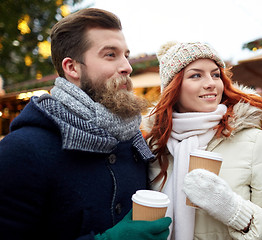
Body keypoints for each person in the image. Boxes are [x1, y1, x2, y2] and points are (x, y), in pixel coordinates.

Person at [0, 8, 171, 240]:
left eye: (126, 55)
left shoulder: (132, 139)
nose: (127, 67)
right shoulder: (22, 150)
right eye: (110, 55)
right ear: (72, 68)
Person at [143, 42, 262, 239]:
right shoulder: (155, 146)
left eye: (215, 74)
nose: (211, 83)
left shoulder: (255, 141)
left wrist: (233, 210)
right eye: (196, 75)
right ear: (173, 87)